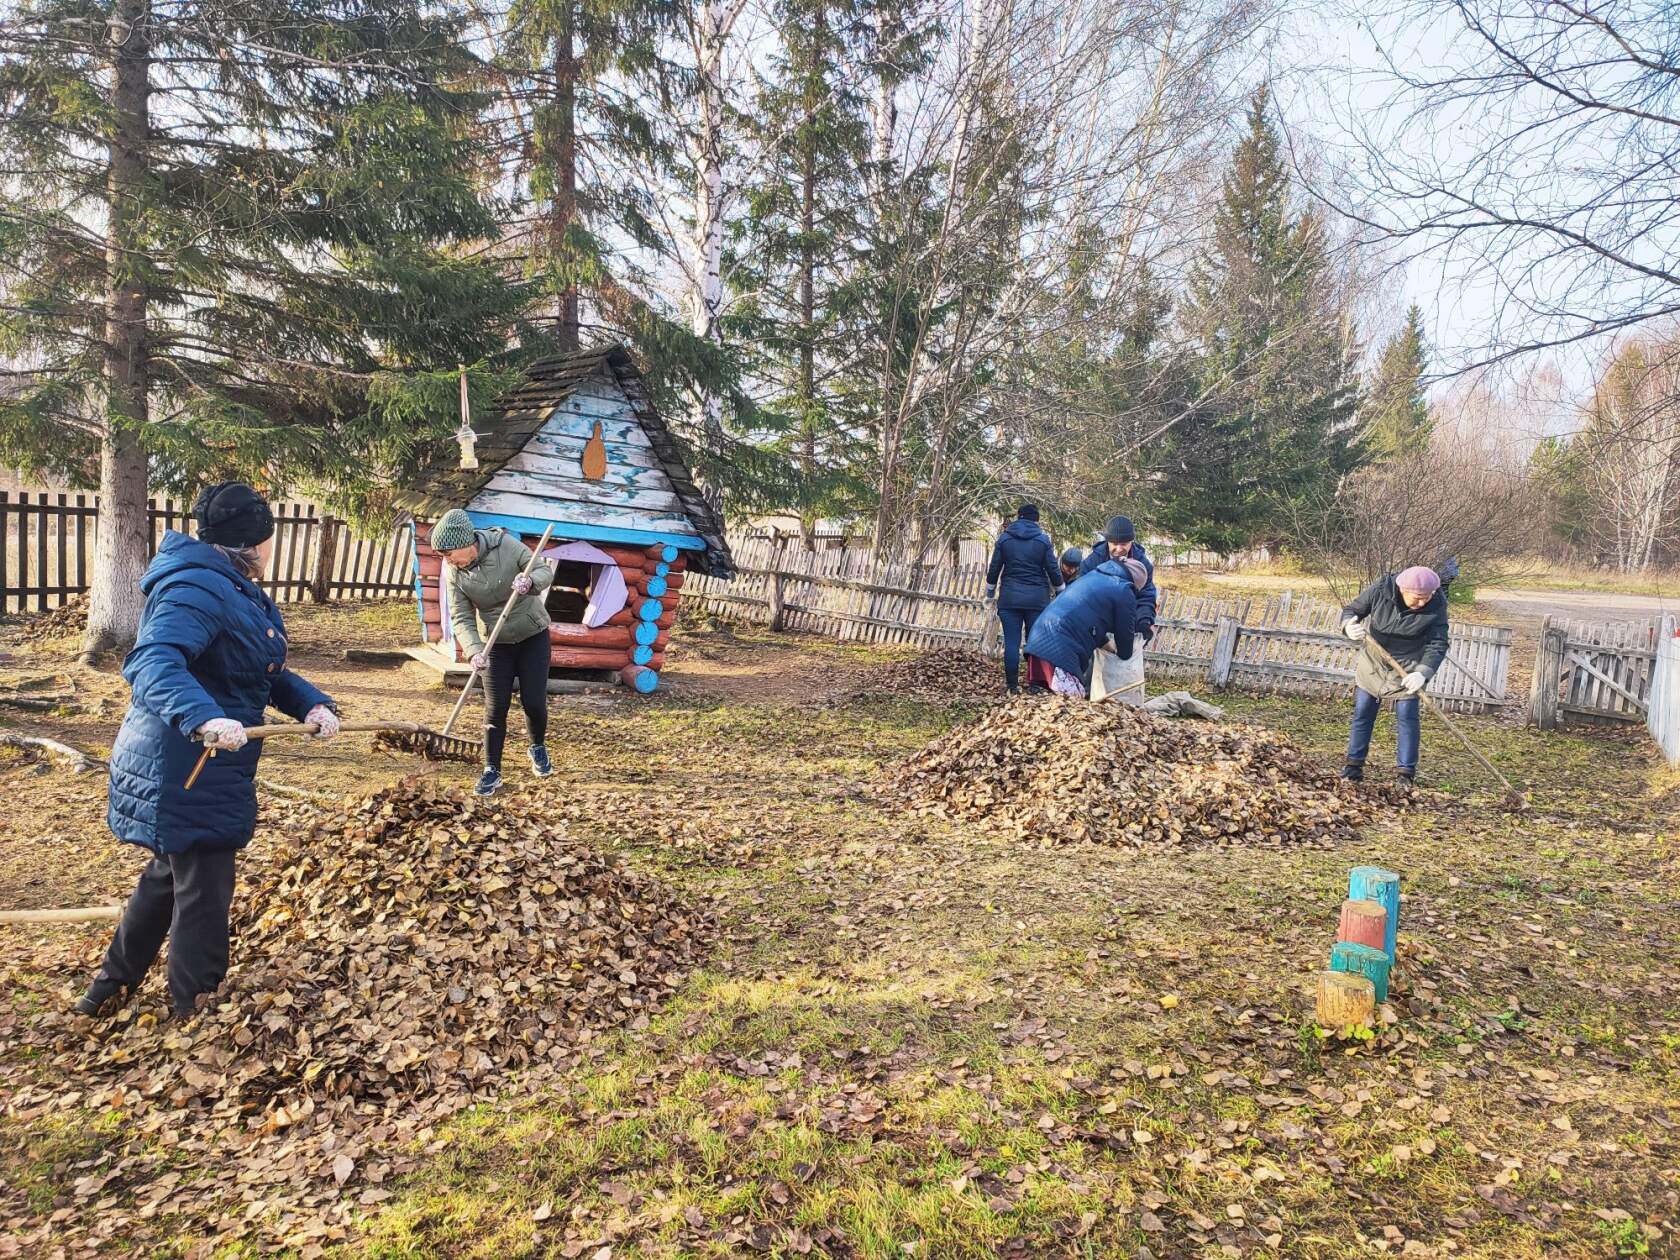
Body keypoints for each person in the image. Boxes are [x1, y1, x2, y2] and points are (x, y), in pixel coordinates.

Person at [77, 483, 341, 1021]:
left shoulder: (229, 585)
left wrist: (311, 705)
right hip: (187, 765)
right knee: (203, 890)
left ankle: (108, 991)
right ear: (254, 541)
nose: (271, 551)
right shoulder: (197, 587)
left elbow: (259, 667)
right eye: (269, 540)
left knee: (168, 876)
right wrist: (203, 718)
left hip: (194, 763)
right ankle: (195, 1012)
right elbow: (152, 662)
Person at [431, 508, 556, 795]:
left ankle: (537, 747)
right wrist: (474, 650)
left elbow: (543, 569)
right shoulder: (454, 573)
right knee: (495, 706)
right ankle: (492, 769)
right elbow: (460, 616)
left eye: (448, 553)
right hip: (494, 644)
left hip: (532, 635)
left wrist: (530, 582)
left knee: (533, 701)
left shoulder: (507, 546)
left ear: (466, 543)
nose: (446, 560)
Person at [1339, 565, 1450, 786]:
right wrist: (1348, 627)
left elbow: (1438, 643)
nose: (1422, 603)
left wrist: (1422, 673)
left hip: (1408, 666)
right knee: (1363, 713)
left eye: (1426, 598)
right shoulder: (1381, 589)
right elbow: (1352, 610)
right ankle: (1353, 767)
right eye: (1417, 598)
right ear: (1402, 588)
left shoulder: (1437, 604)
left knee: (1407, 718)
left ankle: (1405, 774)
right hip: (1373, 662)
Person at [1023, 557, 1140, 697]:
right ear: (1136, 581)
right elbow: (1125, 639)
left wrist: (1104, 642)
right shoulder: (1124, 590)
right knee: (1073, 707)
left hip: (1039, 640)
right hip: (1059, 650)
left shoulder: (1094, 576)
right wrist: (1124, 652)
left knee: (1043, 704)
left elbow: (1082, 614)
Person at [984, 503, 1064, 693]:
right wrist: (1062, 592)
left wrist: (989, 593)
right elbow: (1052, 568)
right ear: (1037, 520)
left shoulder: (1004, 540)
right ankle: (1034, 685)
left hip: (1010, 599)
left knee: (1011, 642)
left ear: (1018, 517)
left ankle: (1012, 686)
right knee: (1034, 641)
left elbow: (994, 568)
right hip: (1037, 600)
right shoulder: (1043, 541)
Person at [1078, 515, 1158, 643]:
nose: (1119, 549)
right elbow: (1081, 596)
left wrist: (1145, 620)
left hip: (1128, 623)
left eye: (1124, 544)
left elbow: (1146, 595)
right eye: (1114, 544)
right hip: (1099, 623)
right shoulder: (1092, 562)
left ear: (1132, 541)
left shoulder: (1143, 564)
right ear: (1107, 541)